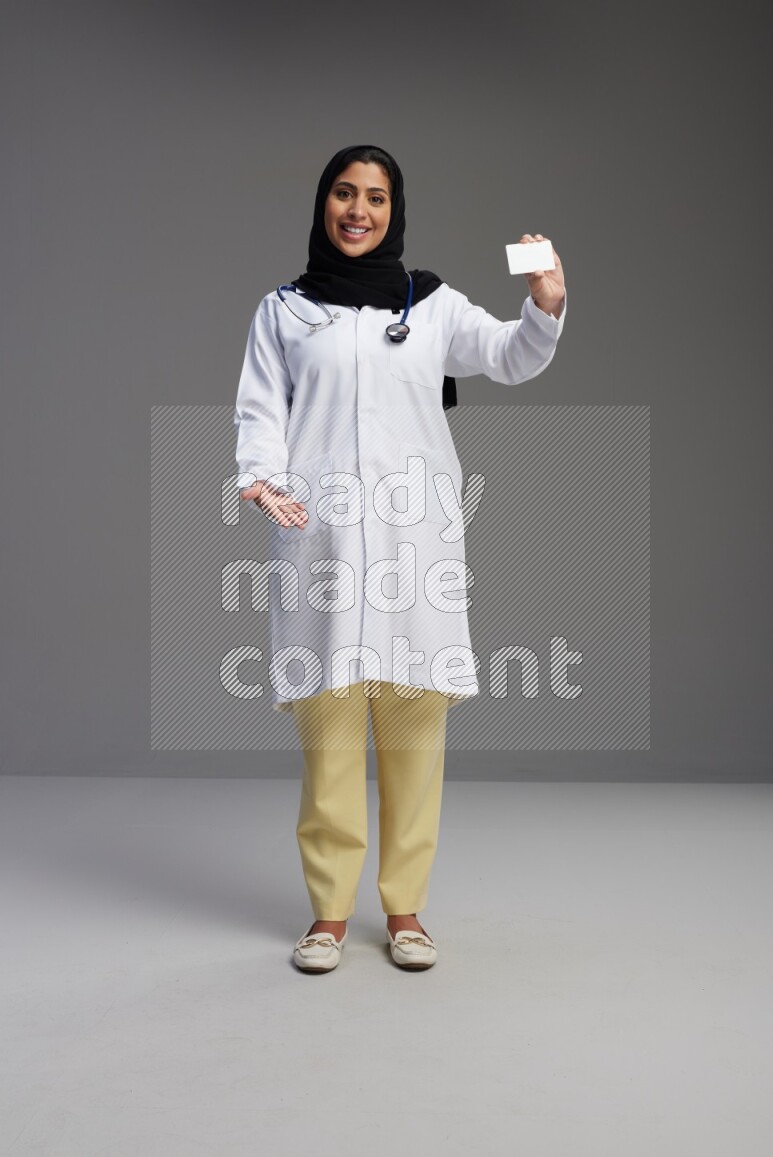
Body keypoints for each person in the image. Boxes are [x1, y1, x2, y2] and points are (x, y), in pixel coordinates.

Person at [233, 144, 566, 972]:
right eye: (344, 194)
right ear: (323, 205)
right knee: (332, 732)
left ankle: (406, 909)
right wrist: (262, 480)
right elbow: (259, 410)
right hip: (324, 542)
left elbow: (507, 357)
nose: (358, 210)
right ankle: (329, 916)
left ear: (395, 210)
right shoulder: (284, 311)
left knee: (415, 731)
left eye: (375, 197)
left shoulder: (434, 303)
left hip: (415, 544)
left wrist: (545, 306)